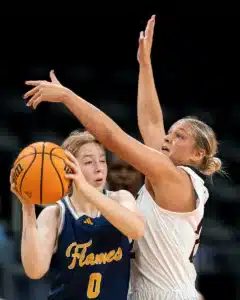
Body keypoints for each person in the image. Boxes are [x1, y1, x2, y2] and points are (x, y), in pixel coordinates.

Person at [23, 18, 223, 298]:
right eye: (171, 133)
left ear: (197, 153)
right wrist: (145, 65)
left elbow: (113, 138)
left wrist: (68, 97)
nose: (167, 138)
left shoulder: (174, 177)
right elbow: (153, 124)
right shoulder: (166, 171)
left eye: (179, 137)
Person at [10, 130, 144, 300]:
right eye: (89, 162)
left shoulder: (121, 199)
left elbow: (137, 230)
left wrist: (86, 189)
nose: (99, 168)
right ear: (68, 168)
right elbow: (35, 270)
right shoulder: (56, 213)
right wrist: (28, 208)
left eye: (102, 161)